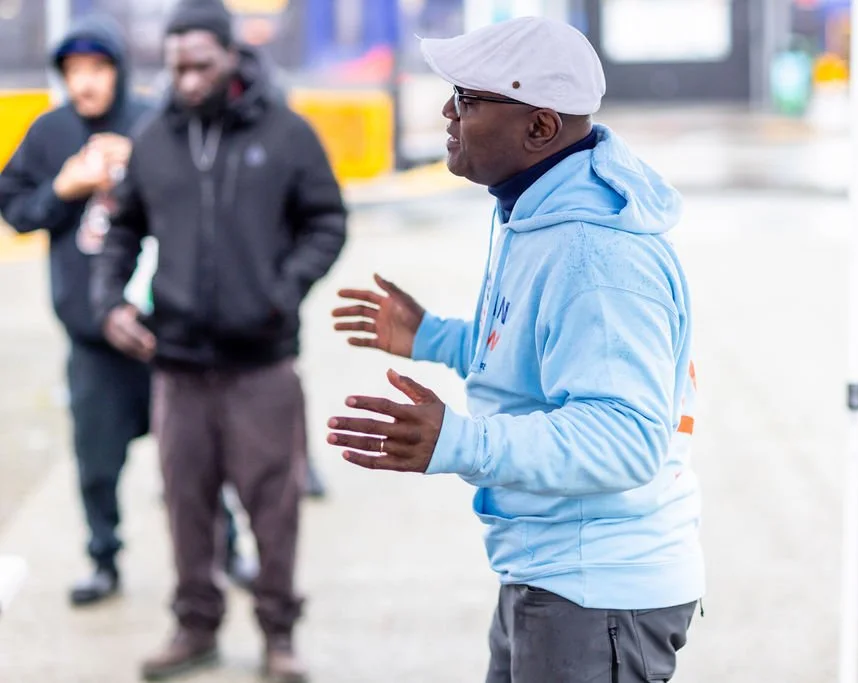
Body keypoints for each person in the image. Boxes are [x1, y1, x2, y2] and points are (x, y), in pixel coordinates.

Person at [330, 17, 704, 682]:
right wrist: (435, 337)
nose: (447, 113)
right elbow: (544, 357)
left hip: (596, 590)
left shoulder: (597, 253)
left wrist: (461, 441)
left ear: (540, 128)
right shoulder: (537, 209)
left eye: (467, 99)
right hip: (550, 574)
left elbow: (625, 437)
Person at [91, 0, 347, 680]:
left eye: (201, 65)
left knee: (274, 508)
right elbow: (122, 229)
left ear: (232, 57)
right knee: (186, 506)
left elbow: (326, 221)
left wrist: (280, 290)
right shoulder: (154, 138)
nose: (187, 79)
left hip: (261, 363)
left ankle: (279, 633)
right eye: (176, 67)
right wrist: (111, 303)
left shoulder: (287, 133)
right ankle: (195, 627)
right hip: (177, 365)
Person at [0, 14, 153, 608]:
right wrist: (63, 188)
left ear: (119, 70)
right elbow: (16, 211)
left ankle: (222, 551)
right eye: (73, 70)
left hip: (163, 329)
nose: (84, 82)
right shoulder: (50, 132)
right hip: (91, 336)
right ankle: (103, 558)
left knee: (196, 458)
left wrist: (135, 164)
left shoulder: (152, 122)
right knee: (96, 463)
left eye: (97, 68)